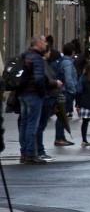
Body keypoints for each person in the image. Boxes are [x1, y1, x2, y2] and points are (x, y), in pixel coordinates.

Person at [19, 36, 48, 164]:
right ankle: (30, 153)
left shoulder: (24, 55)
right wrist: (42, 93)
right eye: (43, 41)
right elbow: (38, 79)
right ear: (38, 43)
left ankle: (24, 152)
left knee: (24, 124)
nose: (45, 44)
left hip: (23, 94)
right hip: (33, 94)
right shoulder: (37, 58)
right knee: (32, 124)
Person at [36, 47, 65, 161]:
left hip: (45, 96)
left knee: (39, 125)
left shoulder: (42, 63)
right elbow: (46, 79)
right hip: (46, 97)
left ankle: (36, 150)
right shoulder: (43, 64)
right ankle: (39, 150)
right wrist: (56, 82)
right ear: (46, 53)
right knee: (40, 125)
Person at [56, 43, 78, 138]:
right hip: (66, 92)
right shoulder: (67, 63)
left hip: (64, 90)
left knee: (62, 115)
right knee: (62, 115)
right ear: (72, 52)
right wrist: (73, 90)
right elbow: (69, 78)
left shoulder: (63, 61)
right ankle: (60, 137)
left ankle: (61, 136)